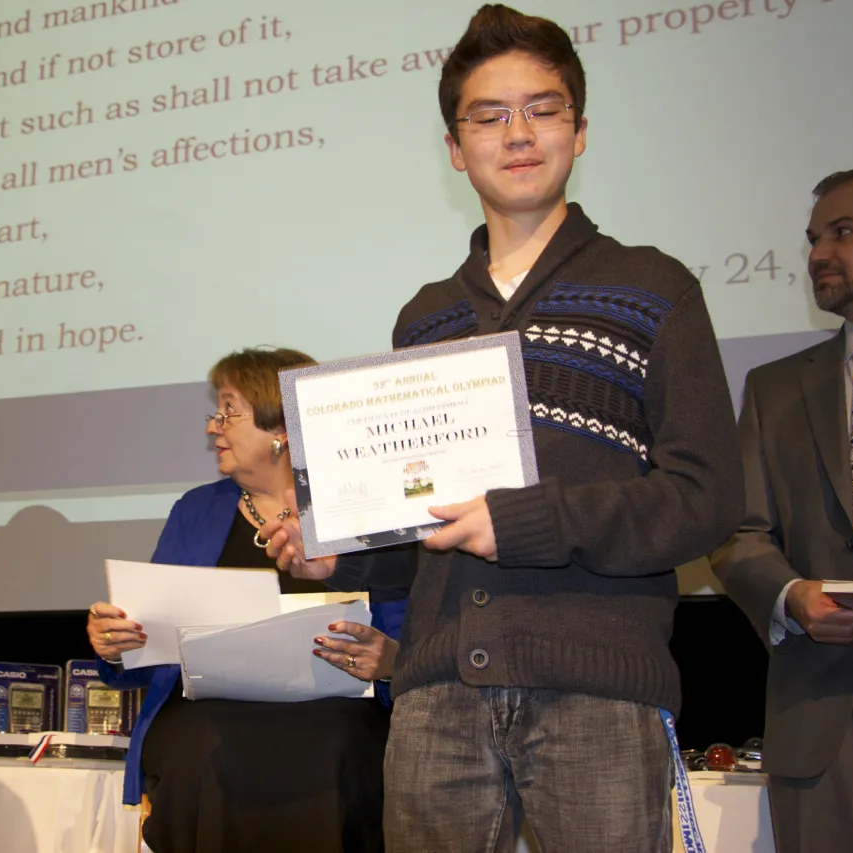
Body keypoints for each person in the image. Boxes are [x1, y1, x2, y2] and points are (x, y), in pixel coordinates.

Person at [261, 6, 743, 851]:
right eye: (488, 116)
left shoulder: (653, 287)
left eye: (543, 109)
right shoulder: (427, 315)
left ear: (580, 130)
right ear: (455, 148)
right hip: (436, 694)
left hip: (596, 689)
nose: (517, 134)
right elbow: (422, 514)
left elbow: (703, 500)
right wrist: (343, 547)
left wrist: (526, 521)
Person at [86, 346, 407, 853]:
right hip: (207, 720)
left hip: (335, 716)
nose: (214, 427)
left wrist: (388, 660)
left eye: (229, 411)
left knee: (339, 747)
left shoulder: (360, 507)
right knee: (198, 751)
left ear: (282, 426)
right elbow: (151, 647)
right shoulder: (196, 511)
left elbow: (404, 635)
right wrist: (118, 644)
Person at [711, 165, 853, 852]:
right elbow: (738, 532)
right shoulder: (773, 388)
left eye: (843, 232)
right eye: (813, 238)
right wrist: (792, 596)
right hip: (825, 715)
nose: (819, 252)